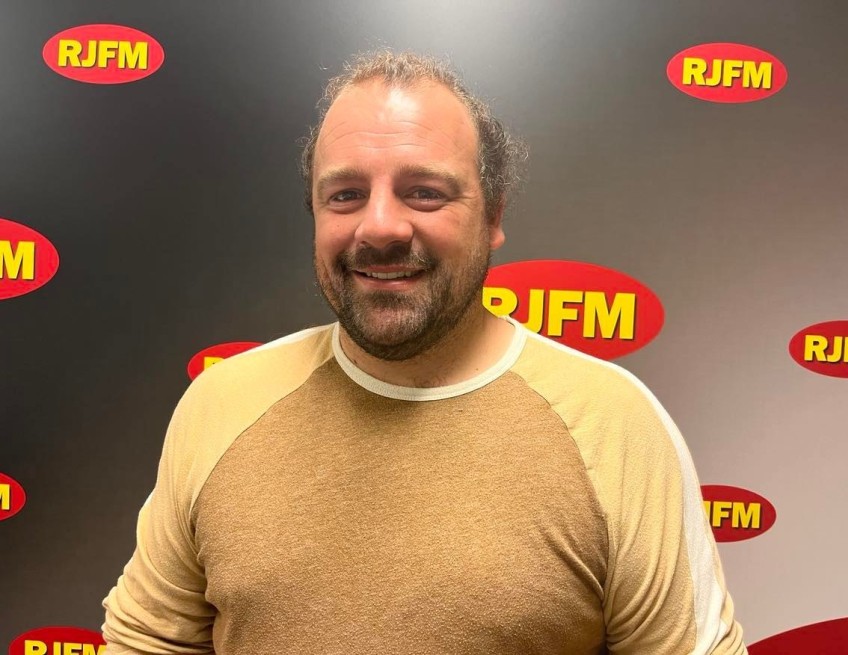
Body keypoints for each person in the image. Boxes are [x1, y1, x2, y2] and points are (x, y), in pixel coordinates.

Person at [102, 51, 747, 654]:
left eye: (425, 192)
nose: (380, 226)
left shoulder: (614, 426)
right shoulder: (222, 405)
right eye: (345, 194)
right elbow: (146, 642)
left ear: (492, 216)